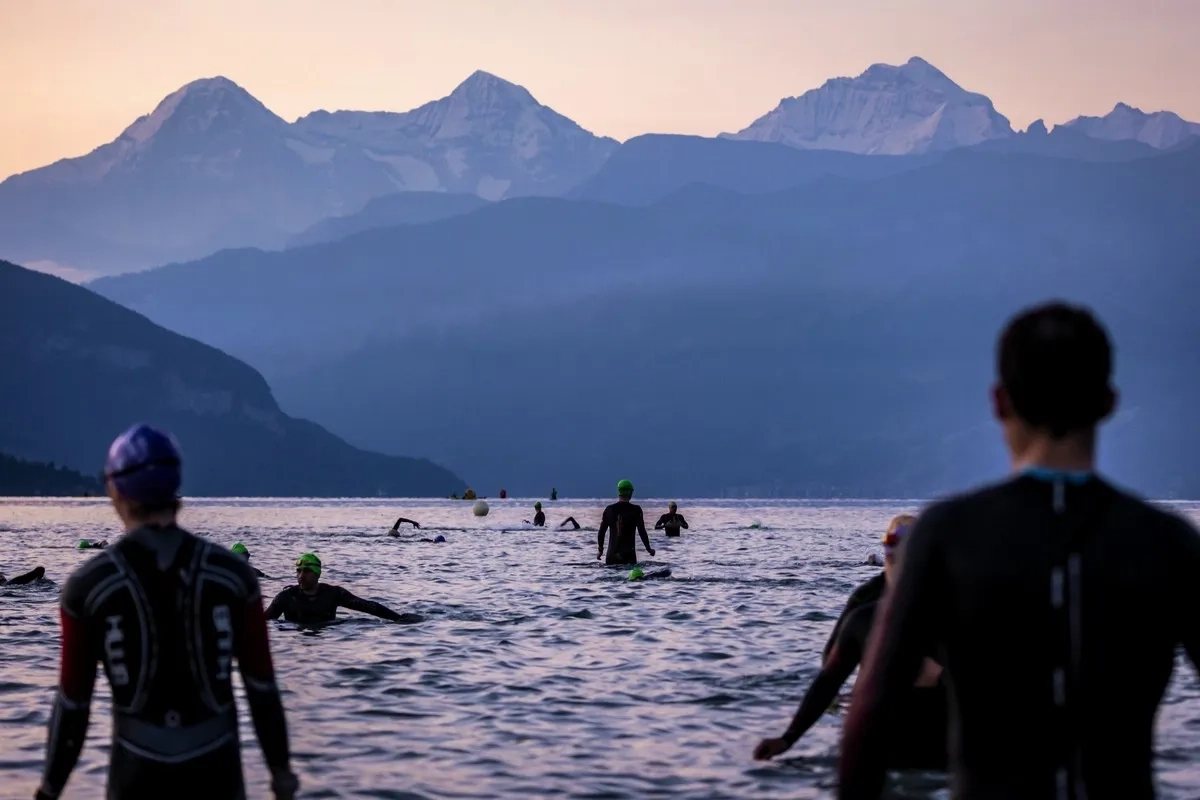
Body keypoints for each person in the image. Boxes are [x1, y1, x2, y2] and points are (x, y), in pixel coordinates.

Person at [838, 301, 1200, 800]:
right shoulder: (1167, 541)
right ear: (1109, 403)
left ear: (1000, 402)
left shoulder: (948, 534)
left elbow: (872, 710)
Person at [36, 423, 297, 800]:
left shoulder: (90, 585)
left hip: (135, 772)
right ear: (176, 486)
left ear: (115, 489)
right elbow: (261, 688)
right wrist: (281, 773)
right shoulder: (233, 576)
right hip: (217, 770)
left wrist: (49, 790)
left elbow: (73, 702)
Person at [754, 515, 946, 769]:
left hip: (940, 743)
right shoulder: (863, 613)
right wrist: (788, 739)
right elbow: (828, 678)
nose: (897, 555)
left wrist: (939, 676)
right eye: (891, 544)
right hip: (884, 742)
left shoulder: (956, 610)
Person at [820, 517, 914, 663]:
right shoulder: (865, 598)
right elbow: (830, 661)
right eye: (893, 541)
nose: (900, 550)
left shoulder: (943, 594)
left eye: (908, 542)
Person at [265, 553, 417, 625]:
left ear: (318, 574)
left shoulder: (333, 593)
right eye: (299, 571)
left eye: (306, 571)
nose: (301, 576)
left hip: (327, 641)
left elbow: (367, 606)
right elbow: (262, 623)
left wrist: (398, 618)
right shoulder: (285, 597)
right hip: (293, 644)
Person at [597, 479, 655, 566]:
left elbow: (601, 533)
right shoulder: (636, 510)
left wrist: (600, 550)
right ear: (630, 493)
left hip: (611, 556)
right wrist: (649, 549)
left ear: (619, 491)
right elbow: (642, 531)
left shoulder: (609, 509)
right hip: (628, 555)